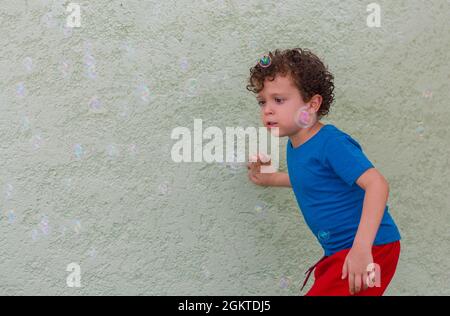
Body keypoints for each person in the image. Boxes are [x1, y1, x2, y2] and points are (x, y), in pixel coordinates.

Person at [246, 48, 401, 296]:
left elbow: (377, 184)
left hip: (372, 248)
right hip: (340, 252)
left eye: (279, 100)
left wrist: (362, 249)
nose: (267, 109)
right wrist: (271, 178)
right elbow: (315, 180)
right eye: (263, 101)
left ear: (312, 104)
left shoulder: (331, 142)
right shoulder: (296, 144)